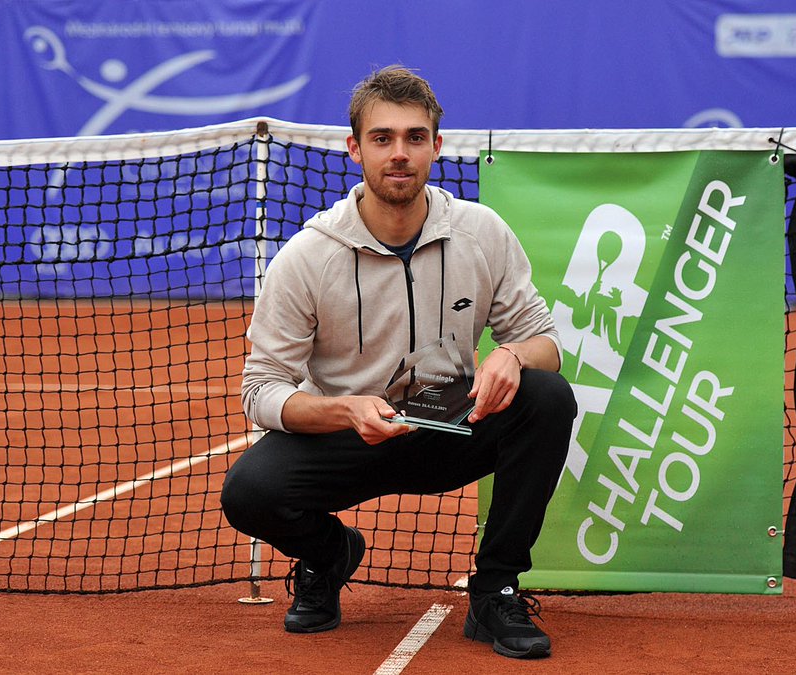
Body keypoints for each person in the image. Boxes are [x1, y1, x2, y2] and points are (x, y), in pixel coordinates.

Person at [220, 65, 575, 660]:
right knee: (249, 491)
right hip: (348, 438)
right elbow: (260, 390)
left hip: (451, 428)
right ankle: (328, 555)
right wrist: (343, 410)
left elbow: (546, 345)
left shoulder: (480, 231)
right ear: (355, 148)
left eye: (415, 137)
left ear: (437, 146)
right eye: (382, 138)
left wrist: (511, 355)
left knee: (547, 397)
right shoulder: (308, 256)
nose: (400, 154)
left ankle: (495, 591)